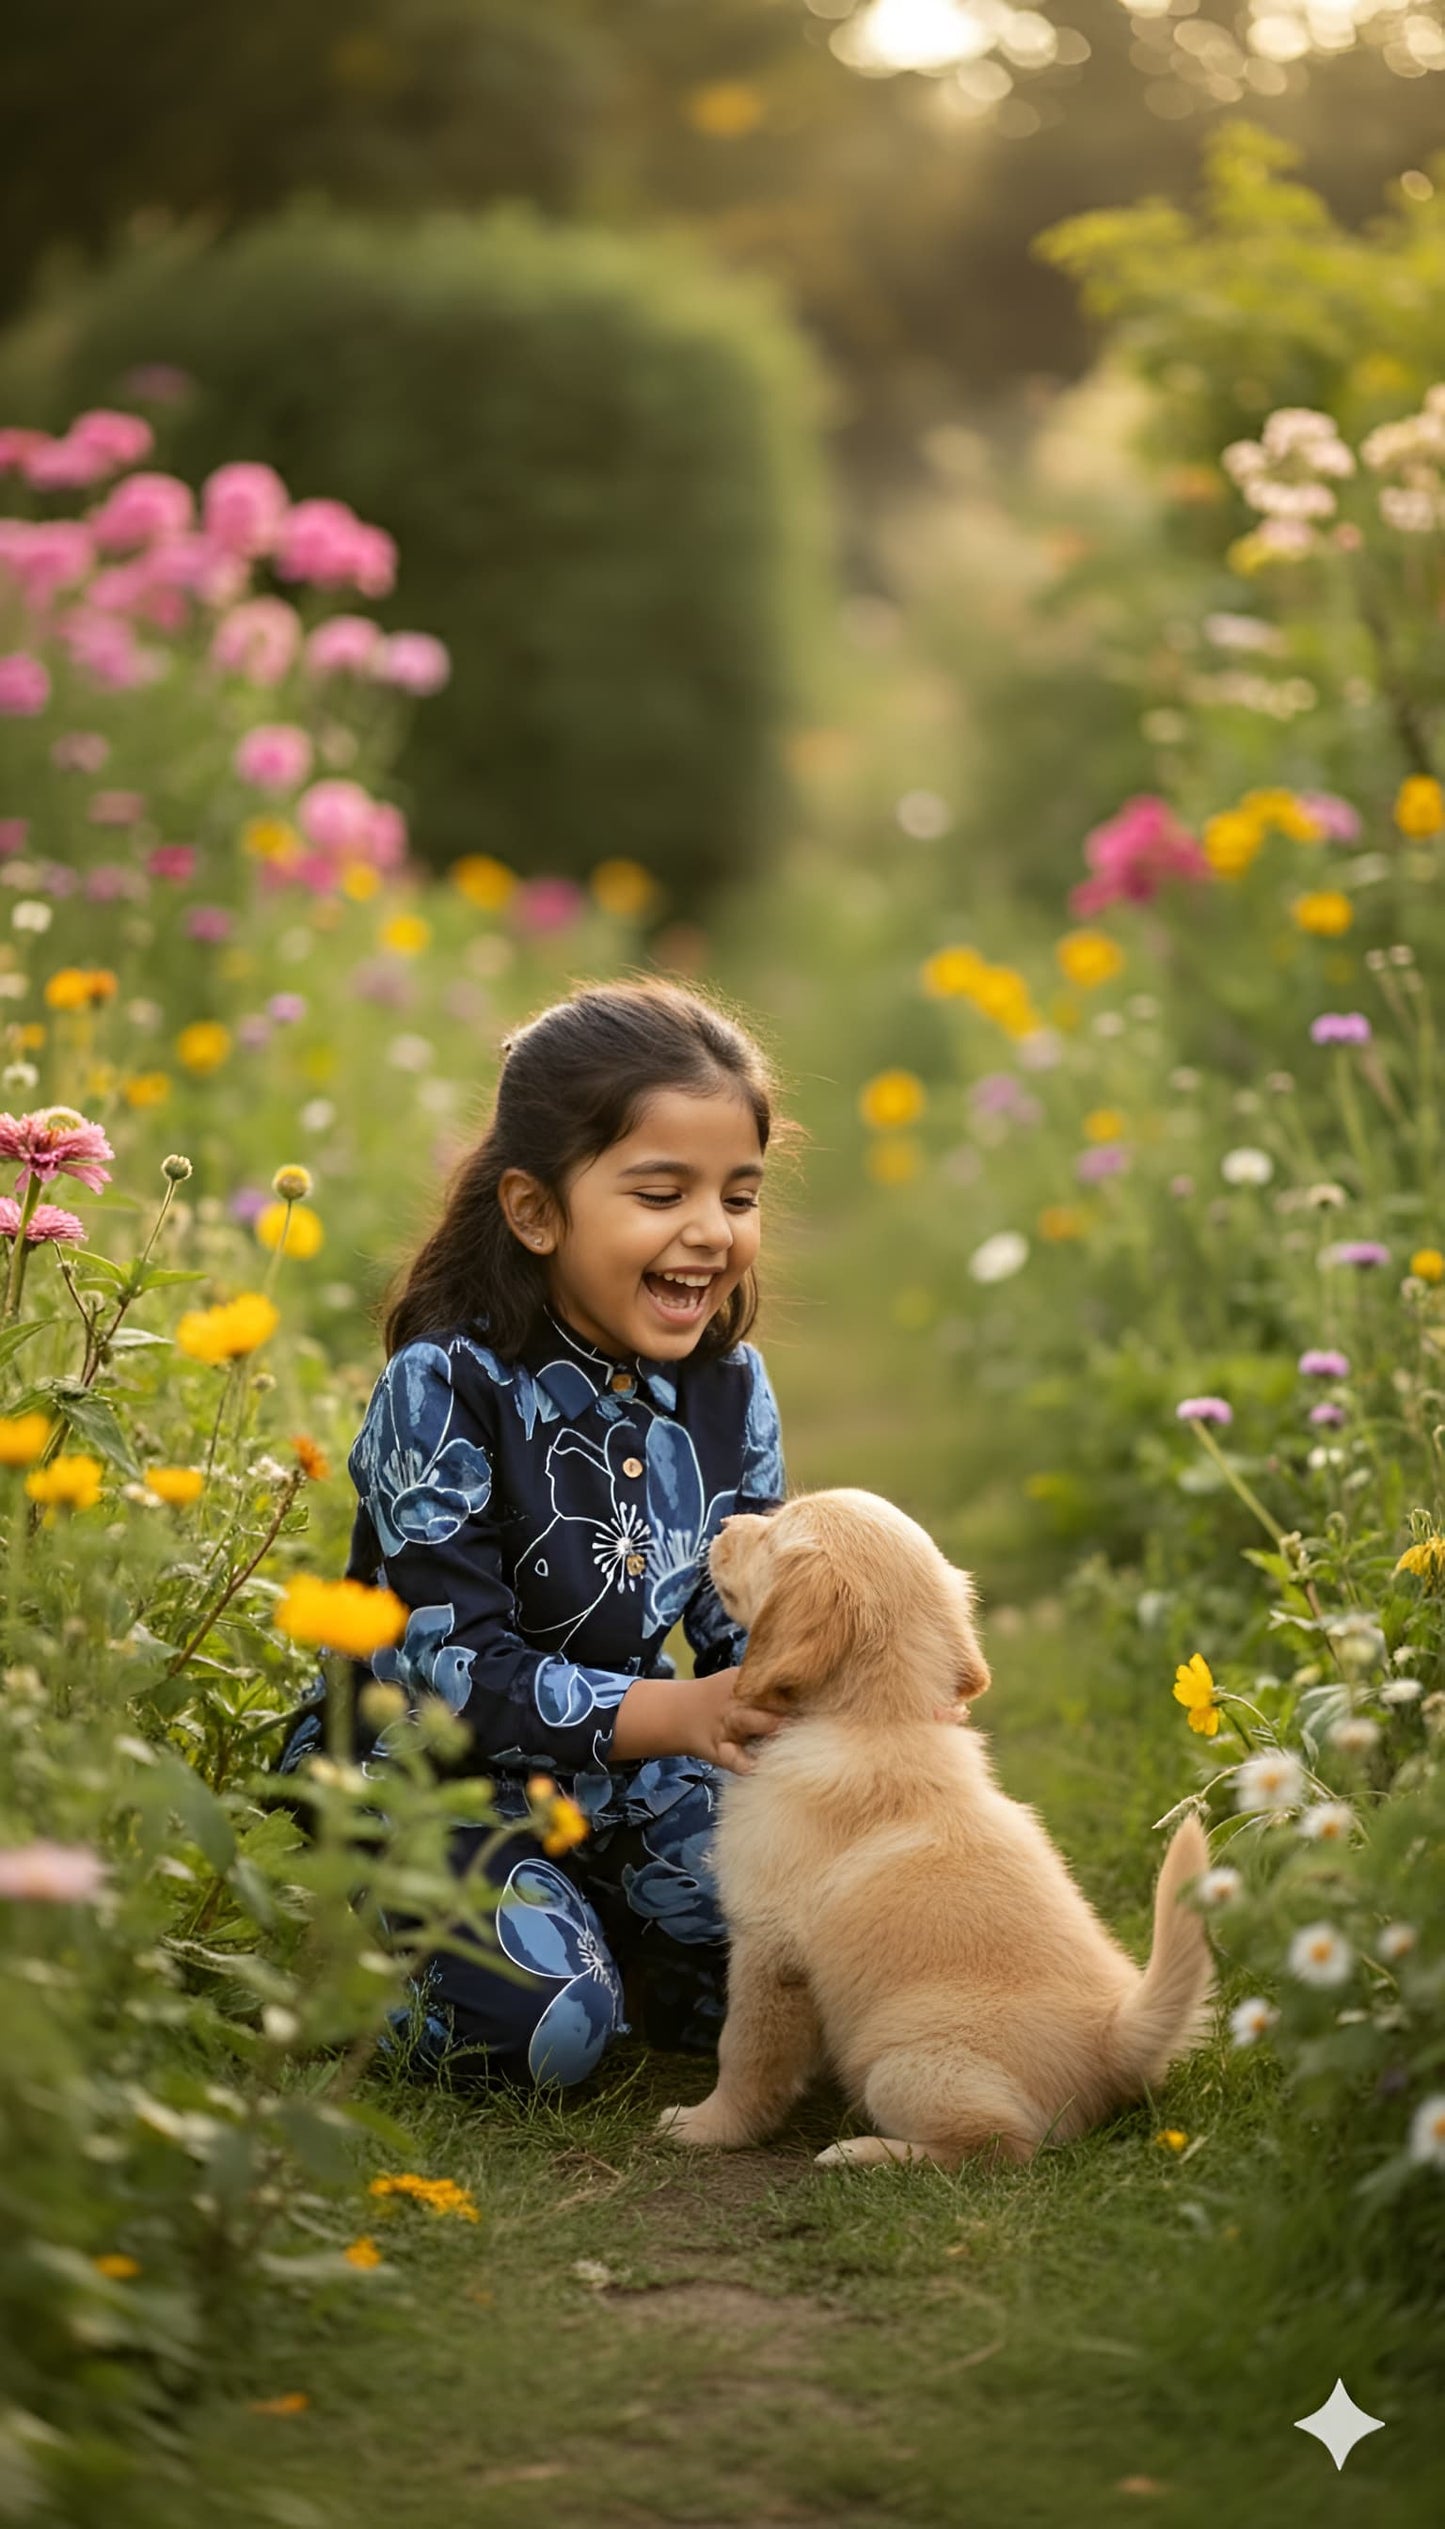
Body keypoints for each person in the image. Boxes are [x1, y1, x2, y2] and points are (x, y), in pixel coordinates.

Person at [274, 974, 802, 2090]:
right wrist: (684, 1711)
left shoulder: (730, 1387)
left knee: (815, 1943)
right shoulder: (445, 1385)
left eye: (738, 1197)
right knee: (550, 2029)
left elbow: (736, 1624)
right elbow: (456, 1670)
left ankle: (619, 1938)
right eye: (660, 1195)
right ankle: (374, 1947)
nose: (709, 1232)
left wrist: (819, 1694)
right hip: (428, 1780)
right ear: (534, 1210)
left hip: (623, 1783)